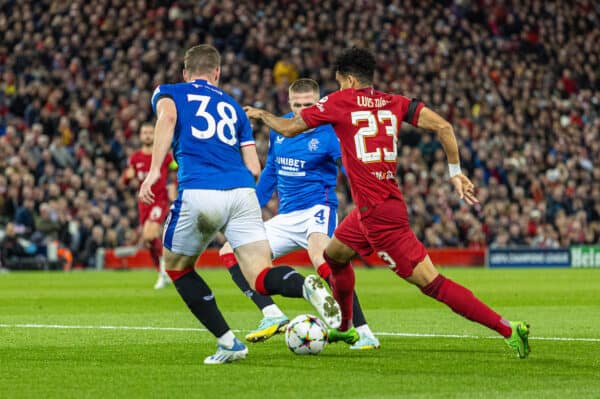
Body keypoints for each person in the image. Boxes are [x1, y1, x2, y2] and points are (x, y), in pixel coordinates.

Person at [244, 47, 531, 359]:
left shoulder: (339, 101)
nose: (338, 88)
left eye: (340, 82)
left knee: (432, 283)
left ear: (350, 80)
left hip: (381, 218)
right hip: (370, 210)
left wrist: (262, 116)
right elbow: (444, 127)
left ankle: (507, 327)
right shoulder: (395, 102)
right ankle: (346, 325)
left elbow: (288, 127)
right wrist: (456, 173)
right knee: (335, 257)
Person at [138, 44, 341, 365]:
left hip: (199, 189)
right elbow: (255, 167)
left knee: (177, 268)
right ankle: (304, 286)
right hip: (242, 192)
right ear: (217, 73)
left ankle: (228, 342)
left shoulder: (169, 91)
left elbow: (167, 118)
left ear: (185, 73)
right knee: (259, 274)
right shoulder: (233, 106)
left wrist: (153, 173)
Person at [219, 78, 379, 349]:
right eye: (298, 105)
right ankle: (272, 314)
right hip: (287, 216)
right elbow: (271, 170)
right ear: (289, 103)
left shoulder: (330, 133)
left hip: (318, 208)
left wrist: (366, 202)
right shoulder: (279, 129)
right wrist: (250, 208)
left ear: (318, 103)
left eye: (309, 104)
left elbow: (351, 170)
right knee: (230, 251)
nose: (303, 111)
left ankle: (362, 331)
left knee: (322, 258)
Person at [123, 122, 177, 289]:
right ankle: (162, 272)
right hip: (144, 202)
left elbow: (176, 171)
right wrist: (127, 177)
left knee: (150, 235)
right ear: (140, 136)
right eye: (144, 132)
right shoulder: (135, 158)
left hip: (159, 200)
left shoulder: (164, 156)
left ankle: (165, 272)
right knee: (148, 241)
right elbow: (126, 180)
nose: (147, 135)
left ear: (155, 135)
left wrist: (172, 189)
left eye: (150, 132)